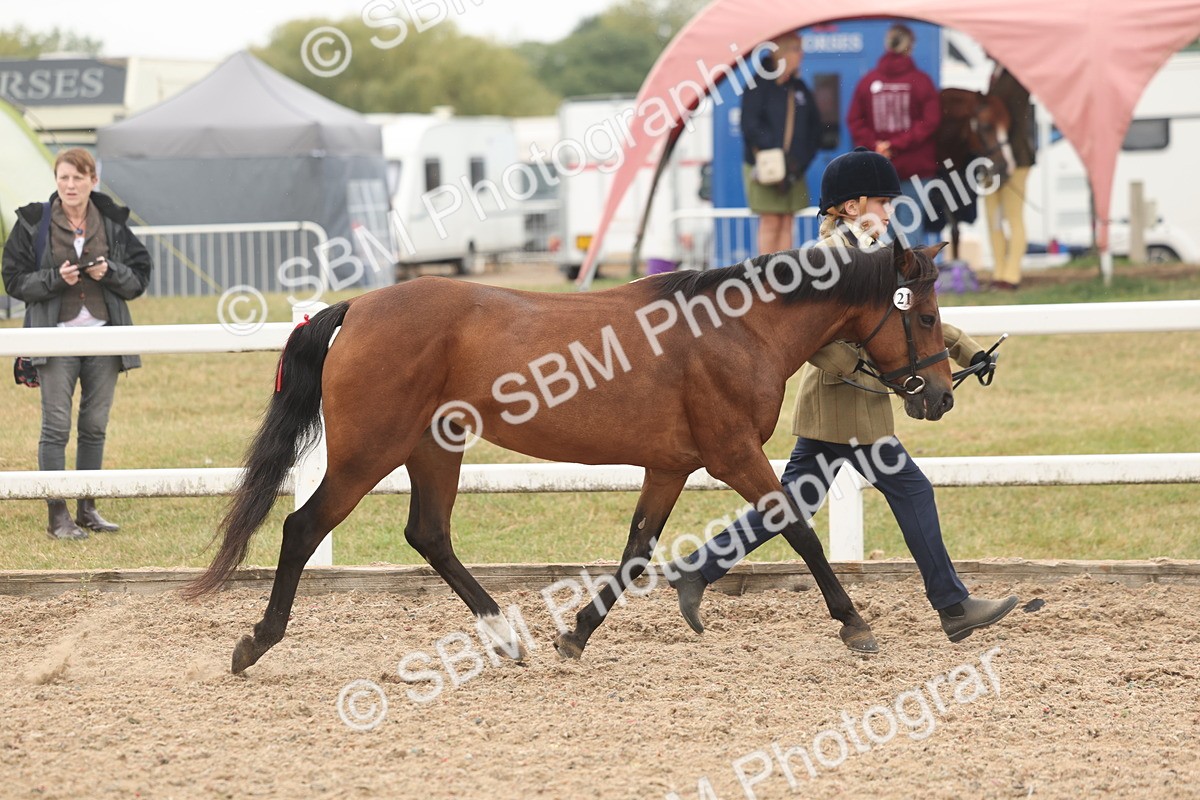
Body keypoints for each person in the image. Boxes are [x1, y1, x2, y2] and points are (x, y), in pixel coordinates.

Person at [667, 147, 1017, 645]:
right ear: (851, 207)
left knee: (792, 504)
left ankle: (699, 568)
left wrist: (967, 352)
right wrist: (863, 366)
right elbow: (810, 340)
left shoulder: (880, 253)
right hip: (843, 401)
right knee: (911, 491)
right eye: (883, 201)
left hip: (849, 406)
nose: (892, 211)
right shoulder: (829, 259)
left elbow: (913, 316)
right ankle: (954, 606)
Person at [1, 148, 151, 540]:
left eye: (77, 178)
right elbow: (14, 281)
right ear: (56, 180)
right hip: (54, 336)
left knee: (95, 426)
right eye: (63, 178)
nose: (70, 185)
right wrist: (56, 279)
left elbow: (139, 278)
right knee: (55, 426)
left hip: (103, 333)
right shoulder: (33, 221)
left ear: (92, 181)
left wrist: (109, 271)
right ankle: (57, 515)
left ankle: (87, 508)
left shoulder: (114, 221)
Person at [846, 23, 940, 248]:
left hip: (876, 170)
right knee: (911, 227)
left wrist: (879, 146)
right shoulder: (921, 82)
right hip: (914, 169)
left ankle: (879, 278)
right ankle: (909, 280)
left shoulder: (868, 81)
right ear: (910, 47)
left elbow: (854, 120)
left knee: (875, 227)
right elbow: (930, 122)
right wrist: (896, 144)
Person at [741, 33, 822, 254]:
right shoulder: (759, 84)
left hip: (794, 168)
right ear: (782, 52)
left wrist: (800, 161)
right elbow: (750, 124)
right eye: (796, 49)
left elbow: (815, 128)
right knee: (770, 220)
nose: (801, 54)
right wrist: (776, 153)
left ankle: (782, 277)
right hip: (766, 166)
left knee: (787, 220)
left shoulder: (799, 88)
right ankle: (766, 275)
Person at [985, 65, 1036, 290]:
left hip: (1015, 158)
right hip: (993, 160)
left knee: (1014, 217)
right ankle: (999, 272)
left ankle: (1011, 274)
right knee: (993, 218)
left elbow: (1015, 120)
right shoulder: (997, 75)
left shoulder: (1015, 77)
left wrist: (1008, 158)